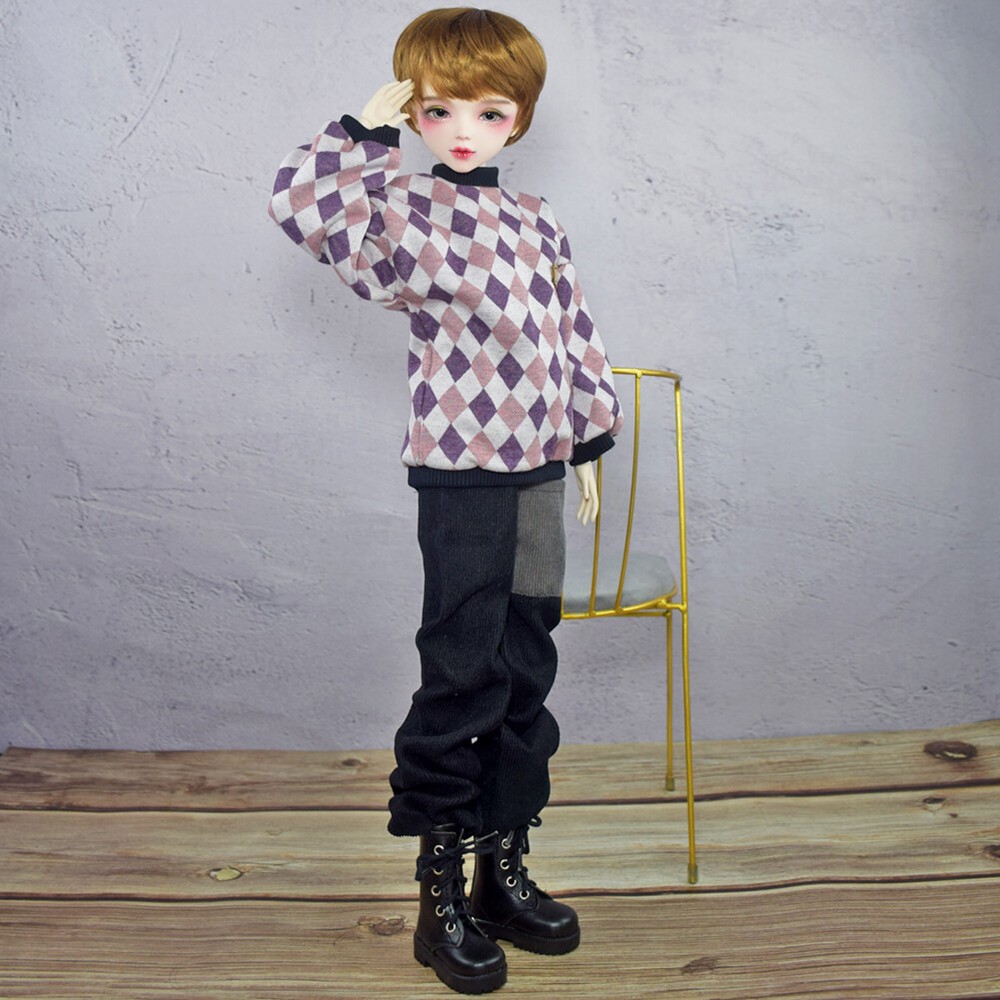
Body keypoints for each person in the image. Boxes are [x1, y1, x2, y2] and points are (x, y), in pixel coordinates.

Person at [269, 8, 621, 994]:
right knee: (461, 667)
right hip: (463, 468)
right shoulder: (403, 211)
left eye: (489, 111)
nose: (464, 130)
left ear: (521, 117)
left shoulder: (538, 219)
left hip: (543, 470)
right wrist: (362, 133)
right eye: (438, 110)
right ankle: (440, 895)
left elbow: (573, 328)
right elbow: (303, 210)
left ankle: (501, 868)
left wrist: (589, 437)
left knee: (527, 656)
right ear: (413, 114)